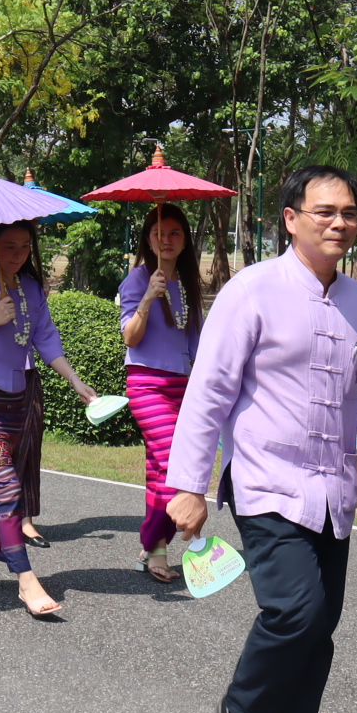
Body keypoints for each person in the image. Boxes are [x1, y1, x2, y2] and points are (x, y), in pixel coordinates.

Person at [166, 166, 357, 713]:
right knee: (296, 611)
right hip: (266, 482)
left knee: (322, 625)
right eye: (324, 211)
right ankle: (241, 712)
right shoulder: (251, 291)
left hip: (335, 491)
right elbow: (208, 393)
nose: (339, 222)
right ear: (290, 218)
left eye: (348, 211)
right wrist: (188, 484)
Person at [0, 220, 99, 616]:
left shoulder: (29, 287)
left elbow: (46, 338)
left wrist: (76, 381)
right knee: (5, 483)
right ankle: (26, 579)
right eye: (9, 245)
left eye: (26, 245)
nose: (19, 253)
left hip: (17, 399)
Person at [116, 203, 203, 581]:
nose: (166, 240)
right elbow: (130, 338)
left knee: (158, 470)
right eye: (158, 234)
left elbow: (199, 345)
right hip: (147, 384)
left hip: (185, 387)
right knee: (175, 466)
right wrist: (149, 298)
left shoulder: (188, 284)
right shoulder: (137, 279)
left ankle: (155, 550)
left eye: (174, 234)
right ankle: (181, 541)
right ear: (147, 241)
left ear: (184, 241)